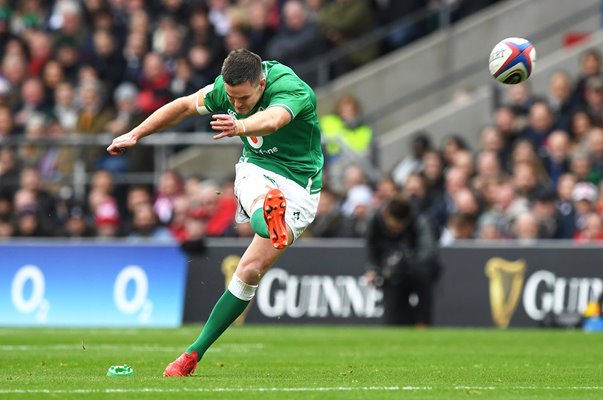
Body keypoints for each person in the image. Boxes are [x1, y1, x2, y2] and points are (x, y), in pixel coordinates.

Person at [107, 49, 323, 377]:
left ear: (262, 83)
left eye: (244, 97)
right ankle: (191, 355)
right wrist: (136, 133)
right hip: (259, 167)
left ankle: (268, 217)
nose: (235, 103)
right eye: (232, 98)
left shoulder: (291, 89)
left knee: (250, 270)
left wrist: (240, 126)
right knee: (255, 193)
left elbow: (275, 119)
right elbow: (181, 106)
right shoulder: (227, 88)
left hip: (300, 185)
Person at [364, 194, 440, 326]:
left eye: (401, 226)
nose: (397, 229)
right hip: (393, 277)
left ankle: (421, 327)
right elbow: (371, 249)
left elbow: (428, 253)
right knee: (394, 318)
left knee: (422, 315)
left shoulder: (420, 220)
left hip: (420, 273)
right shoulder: (374, 220)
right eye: (393, 225)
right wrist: (372, 269)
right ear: (386, 214)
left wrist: (403, 262)